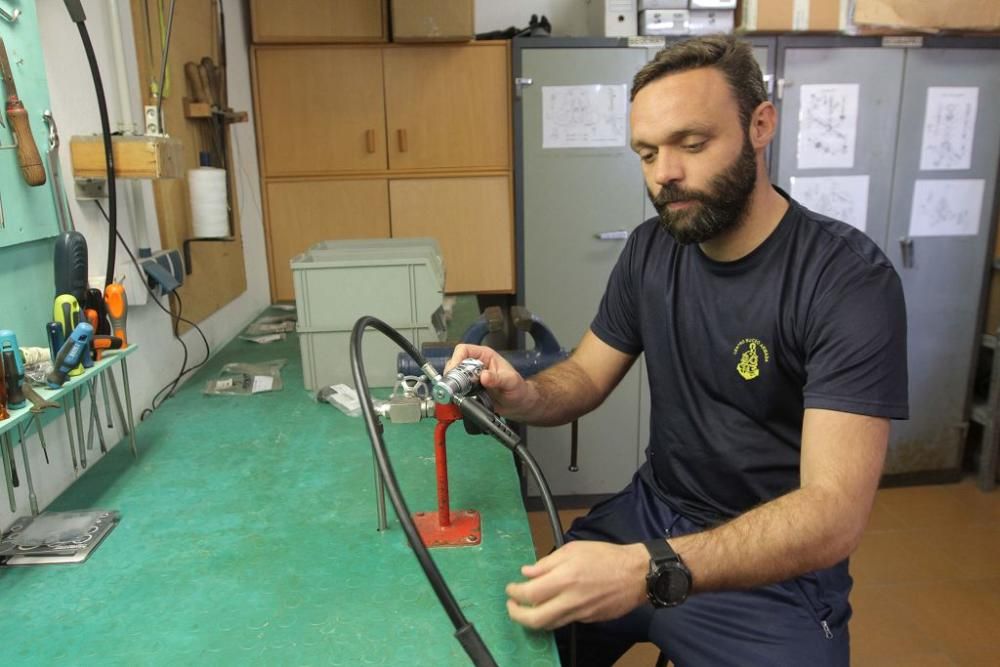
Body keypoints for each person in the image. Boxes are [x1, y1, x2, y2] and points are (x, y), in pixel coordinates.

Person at [447, 35, 908, 666]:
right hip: (653, 514)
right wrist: (523, 394)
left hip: (768, 567)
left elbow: (833, 513)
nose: (665, 172)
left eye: (692, 144)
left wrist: (646, 569)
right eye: (646, 153)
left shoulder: (845, 281)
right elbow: (584, 374)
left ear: (761, 125)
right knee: (497, 645)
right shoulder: (650, 250)